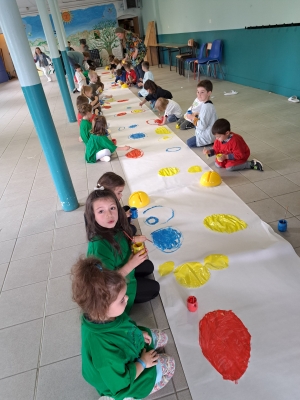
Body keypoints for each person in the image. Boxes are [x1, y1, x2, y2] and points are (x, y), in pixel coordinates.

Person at [71, 257, 175, 399]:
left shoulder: (100, 314)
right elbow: (120, 381)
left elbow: (124, 325)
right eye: (121, 300)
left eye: (124, 295)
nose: (127, 299)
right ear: (102, 309)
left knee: (163, 337)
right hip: (118, 381)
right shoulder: (102, 349)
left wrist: (137, 333)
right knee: (169, 364)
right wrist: (143, 362)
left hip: (126, 346)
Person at [85, 187, 160, 312]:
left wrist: (133, 240)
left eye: (112, 208)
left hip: (123, 266)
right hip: (115, 285)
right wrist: (132, 264)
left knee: (149, 267)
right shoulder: (99, 247)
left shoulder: (115, 225)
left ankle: (134, 276)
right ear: (92, 216)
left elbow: (119, 241)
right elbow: (106, 283)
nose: (109, 215)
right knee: (154, 288)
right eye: (101, 211)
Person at [186, 79, 217, 147]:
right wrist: (196, 115)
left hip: (208, 135)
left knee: (189, 143)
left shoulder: (207, 107)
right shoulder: (205, 104)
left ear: (209, 93)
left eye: (202, 92)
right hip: (207, 130)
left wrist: (192, 117)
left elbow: (202, 126)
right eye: (197, 92)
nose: (199, 95)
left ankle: (210, 142)